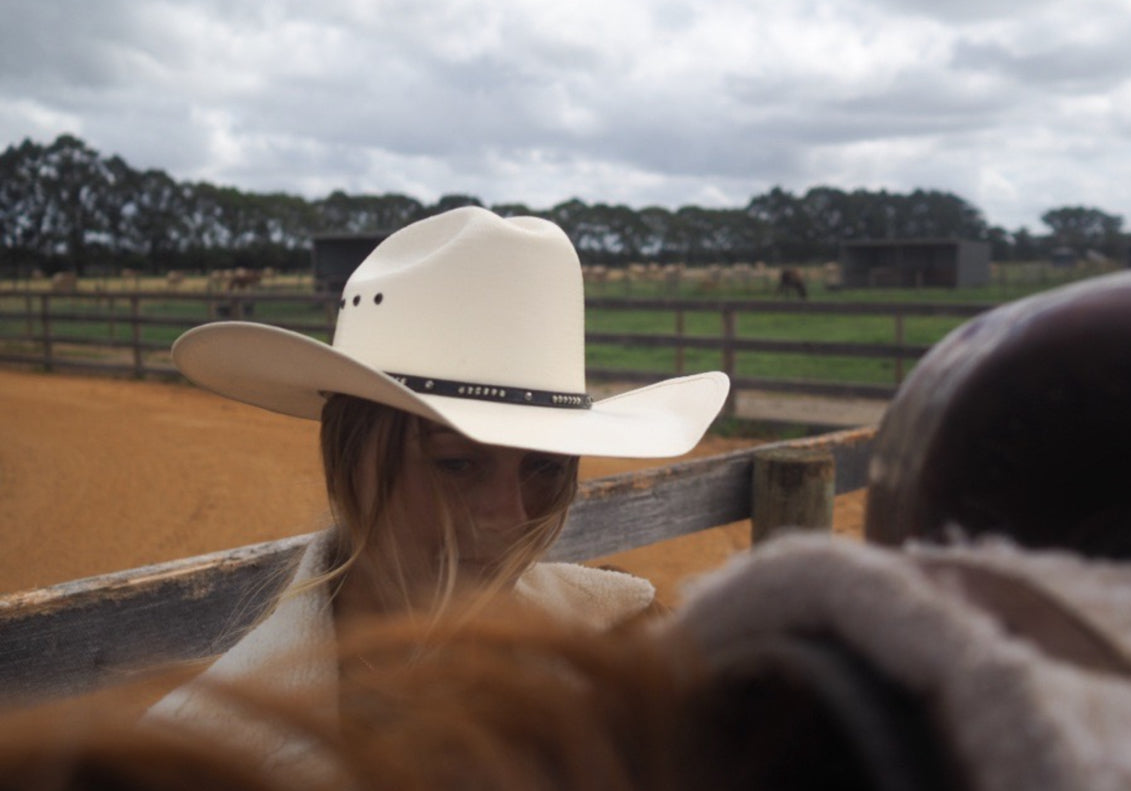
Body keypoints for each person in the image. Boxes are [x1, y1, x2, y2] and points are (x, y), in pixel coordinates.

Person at [150, 206, 728, 721]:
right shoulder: (216, 749)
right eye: (455, 464)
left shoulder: (621, 641)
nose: (509, 515)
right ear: (349, 458)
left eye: (546, 468)